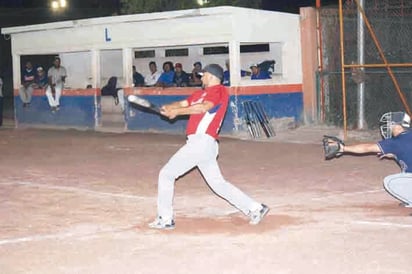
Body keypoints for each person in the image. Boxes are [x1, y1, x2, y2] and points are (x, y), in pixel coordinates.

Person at [148, 63, 269, 230]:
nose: (200, 77)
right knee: (218, 184)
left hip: (201, 142)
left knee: (166, 174)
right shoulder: (200, 93)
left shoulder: (219, 91)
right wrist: (170, 107)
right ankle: (255, 208)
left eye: (203, 75)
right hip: (202, 145)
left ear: (211, 76)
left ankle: (165, 218)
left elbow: (202, 109)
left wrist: (177, 112)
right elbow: (184, 104)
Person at [329, 111, 412, 207]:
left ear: (398, 126)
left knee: (390, 181)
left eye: (391, 124)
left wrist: (343, 148)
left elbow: (367, 148)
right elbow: (407, 150)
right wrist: (394, 155)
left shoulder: (396, 142)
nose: (388, 127)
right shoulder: (405, 139)